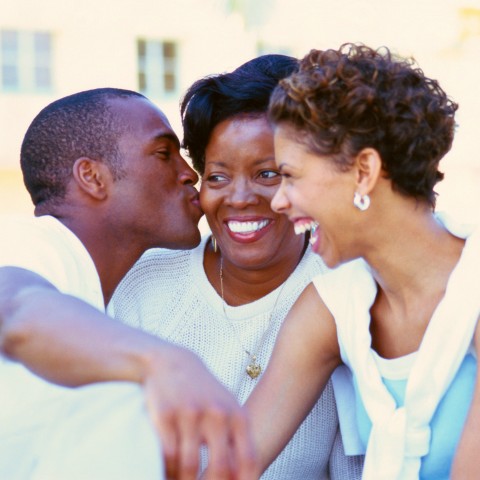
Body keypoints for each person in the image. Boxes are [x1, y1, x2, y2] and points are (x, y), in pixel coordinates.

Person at [111, 55, 364, 478]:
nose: (240, 197)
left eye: (267, 174)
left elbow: (356, 469)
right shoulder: (143, 283)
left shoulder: (345, 292)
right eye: (218, 177)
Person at [237, 43, 480, 480]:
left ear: (364, 171)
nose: (277, 201)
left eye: (290, 176)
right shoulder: (334, 304)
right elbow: (232, 465)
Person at [0, 88, 257, 480]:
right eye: (163, 154)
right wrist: (163, 361)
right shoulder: (31, 243)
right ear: (92, 177)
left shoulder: (108, 293)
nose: (190, 174)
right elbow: (13, 306)